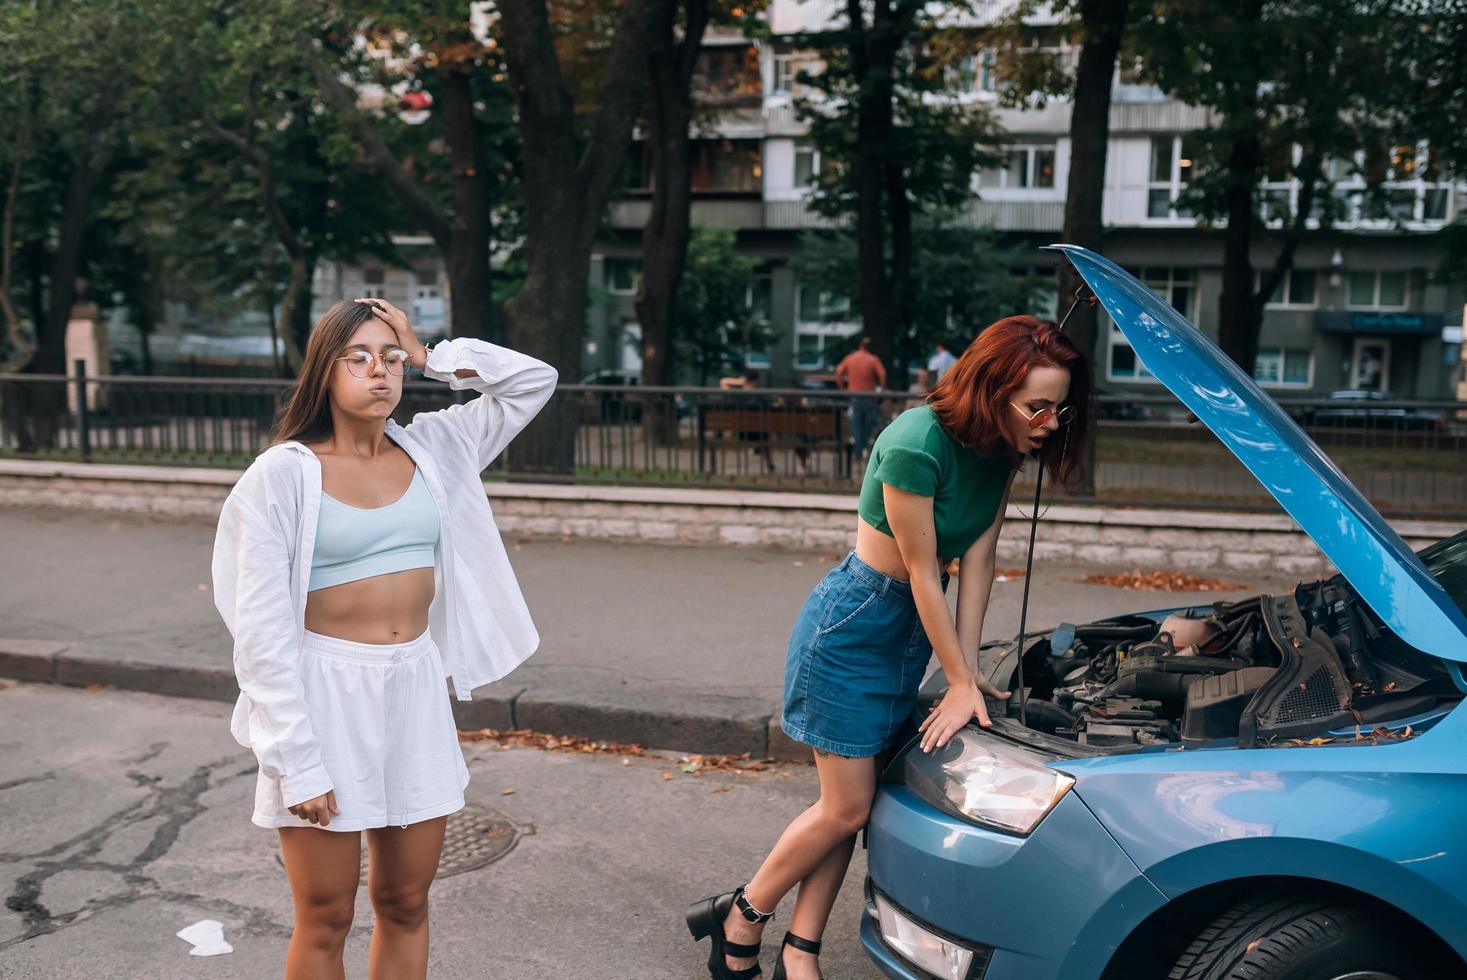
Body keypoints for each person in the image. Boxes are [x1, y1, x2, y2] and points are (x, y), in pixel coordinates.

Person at [687, 315, 1092, 980]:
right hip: (855, 626)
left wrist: (967, 668)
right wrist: (955, 680)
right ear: (991, 391)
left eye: (1059, 405)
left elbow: (980, 561)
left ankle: (800, 950)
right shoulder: (913, 442)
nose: (1051, 420)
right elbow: (924, 571)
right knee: (844, 806)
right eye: (1038, 405)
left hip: (907, 634)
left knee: (854, 805)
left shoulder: (1001, 448)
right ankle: (740, 917)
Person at [211, 298, 556, 979]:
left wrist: (429, 353)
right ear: (324, 371)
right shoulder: (283, 475)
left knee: (405, 901)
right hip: (322, 693)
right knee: (326, 917)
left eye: (390, 358)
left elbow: (533, 380)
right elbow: (258, 631)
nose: (380, 371)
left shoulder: (436, 445)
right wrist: (296, 759)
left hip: (414, 686)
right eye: (360, 357)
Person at [834, 337, 886, 460]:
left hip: (854, 395)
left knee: (856, 424)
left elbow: (838, 373)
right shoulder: (873, 359)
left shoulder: (850, 358)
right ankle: (867, 449)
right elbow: (883, 374)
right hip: (869, 395)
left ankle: (858, 451)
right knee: (870, 423)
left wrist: (843, 389)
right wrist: (881, 390)